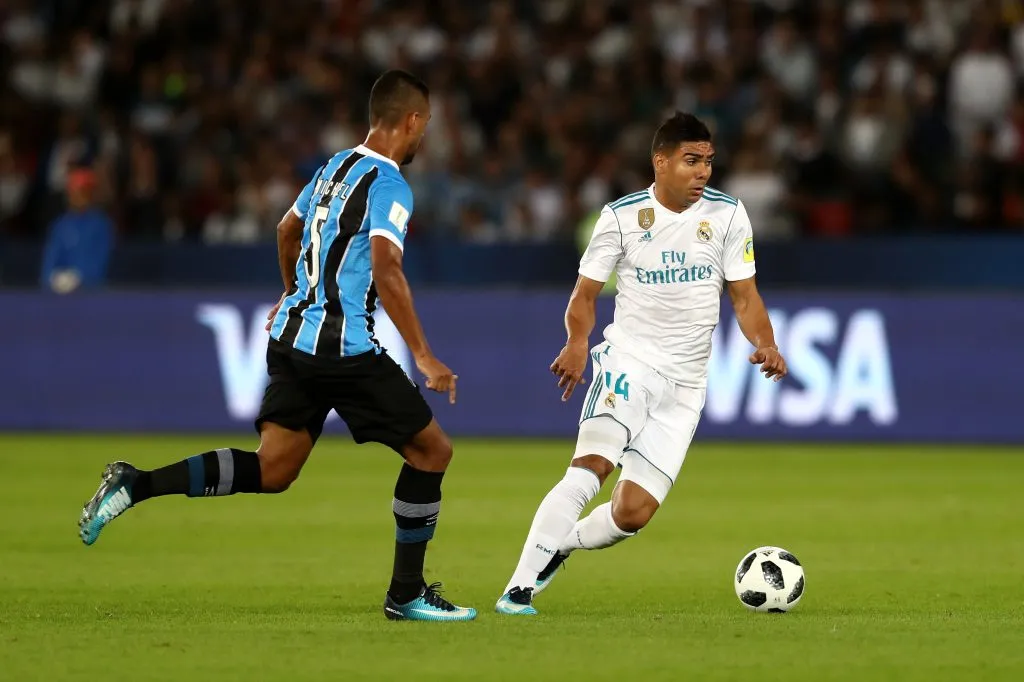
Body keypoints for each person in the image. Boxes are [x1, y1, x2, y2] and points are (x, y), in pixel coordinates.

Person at [78, 70, 477, 622]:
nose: (424, 135)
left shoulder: (333, 167)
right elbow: (387, 266)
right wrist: (425, 354)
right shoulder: (389, 185)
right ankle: (405, 593)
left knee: (274, 470)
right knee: (433, 451)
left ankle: (136, 484)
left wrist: (294, 292)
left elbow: (285, 231)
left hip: (291, 340)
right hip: (343, 350)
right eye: (425, 124)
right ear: (411, 120)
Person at [495, 112, 788, 615]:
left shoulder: (728, 214)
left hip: (686, 385)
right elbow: (584, 296)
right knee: (591, 468)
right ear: (661, 162)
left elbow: (744, 296)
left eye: (709, 162)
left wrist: (766, 341)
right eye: (691, 161)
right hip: (629, 363)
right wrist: (577, 342)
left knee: (632, 513)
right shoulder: (621, 217)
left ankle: (559, 545)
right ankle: (518, 588)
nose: (703, 172)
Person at [40, 167, 113, 293]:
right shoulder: (60, 225)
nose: (78, 196)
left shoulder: (101, 225)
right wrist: (56, 279)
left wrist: (76, 279)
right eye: (74, 191)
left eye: (83, 191)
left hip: (92, 294)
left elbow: (100, 264)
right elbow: (48, 264)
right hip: (59, 294)